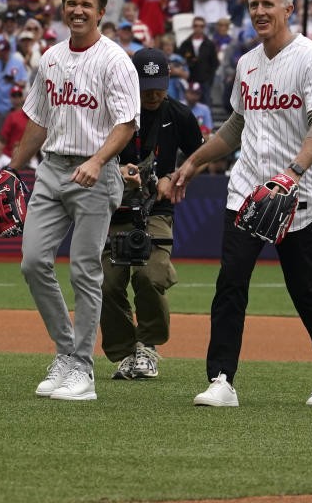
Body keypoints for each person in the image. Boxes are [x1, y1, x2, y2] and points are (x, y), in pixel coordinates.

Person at [170, 0, 312, 408]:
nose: (259, 12)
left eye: (268, 4)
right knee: (230, 283)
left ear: (288, 9)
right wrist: (194, 161)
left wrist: (291, 173)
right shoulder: (247, 63)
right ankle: (221, 380)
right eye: (253, 5)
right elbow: (236, 125)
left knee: (304, 289)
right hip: (247, 192)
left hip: (297, 195)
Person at [9, 0, 139, 402]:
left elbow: (127, 123)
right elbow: (39, 121)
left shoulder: (115, 60)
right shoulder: (49, 58)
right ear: (62, 7)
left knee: (85, 270)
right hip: (52, 169)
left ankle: (82, 369)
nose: (78, 10)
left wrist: (99, 161)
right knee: (32, 262)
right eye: (72, 3)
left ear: (101, 11)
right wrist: (13, 169)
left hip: (95, 173)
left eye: (87, 4)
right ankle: (66, 352)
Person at [101, 48, 204, 380]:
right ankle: (124, 352)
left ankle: (147, 346)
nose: (154, 92)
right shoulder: (111, 113)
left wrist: (173, 178)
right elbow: (88, 154)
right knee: (107, 283)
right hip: (114, 207)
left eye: (159, 84)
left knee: (150, 275)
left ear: (169, 80)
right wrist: (116, 170)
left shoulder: (181, 115)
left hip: (157, 209)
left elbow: (200, 157)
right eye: (146, 85)